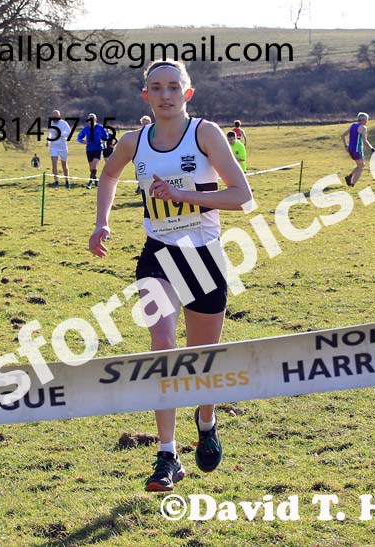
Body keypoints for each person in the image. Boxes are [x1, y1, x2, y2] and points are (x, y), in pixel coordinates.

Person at [88, 60, 252, 492]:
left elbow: (242, 196)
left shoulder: (205, 134)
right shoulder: (132, 141)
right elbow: (108, 175)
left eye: (173, 87)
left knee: (202, 359)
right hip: (157, 254)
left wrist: (181, 194)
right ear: (145, 95)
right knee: (162, 346)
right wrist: (102, 221)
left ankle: (207, 419)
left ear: (188, 93)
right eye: (156, 88)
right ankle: (167, 453)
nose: (165, 95)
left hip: (202, 256)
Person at [340, 112, 375, 187]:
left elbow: (343, 136)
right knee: (361, 166)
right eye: (367, 120)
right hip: (357, 149)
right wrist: (372, 148)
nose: (367, 121)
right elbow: (365, 141)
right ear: (364, 120)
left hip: (350, 149)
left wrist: (346, 146)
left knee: (360, 165)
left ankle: (350, 177)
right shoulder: (363, 128)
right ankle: (352, 183)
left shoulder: (353, 125)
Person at [77, 113, 110, 189]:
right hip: (89, 149)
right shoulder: (86, 129)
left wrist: (104, 142)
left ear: (95, 120)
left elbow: (106, 136)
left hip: (98, 148)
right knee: (91, 168)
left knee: (94, 166)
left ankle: (90, 183)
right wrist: (83, 141)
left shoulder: (100, 127)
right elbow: (79, 137)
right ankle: (95, 179)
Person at [46, 110, 72, 188]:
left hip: (62, 146)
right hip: (54, 146)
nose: (55, 118)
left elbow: (69, 132)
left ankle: (67, 181)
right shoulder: (51, 123)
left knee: (64, 164)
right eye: (53, 116)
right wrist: (48, 141)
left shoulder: (63, 123)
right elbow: (50, 133)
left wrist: (61, 134)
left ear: (59, 116)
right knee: (54, 164)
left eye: (56, 116)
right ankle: (56, 182)